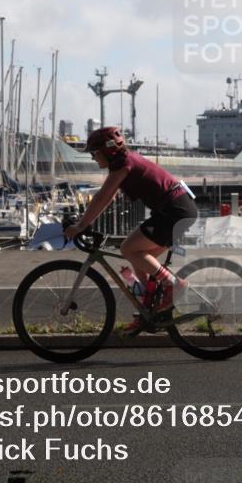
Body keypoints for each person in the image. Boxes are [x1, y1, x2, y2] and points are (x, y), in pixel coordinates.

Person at [64, 126, 198, 336]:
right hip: (176, 209)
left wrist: (81, 226)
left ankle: (176, 285)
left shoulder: (123, 166)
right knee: (140, 261)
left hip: (174, 211)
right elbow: (105, 199)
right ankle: (148, 313)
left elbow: (101, 197)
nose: (92, 157)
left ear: (108, 150)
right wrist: (86, 222)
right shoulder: (124, 163)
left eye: (93, 153)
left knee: (128, 248)